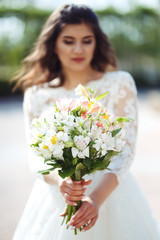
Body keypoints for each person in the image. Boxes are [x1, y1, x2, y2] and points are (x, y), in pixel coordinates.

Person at [12, 4, 160, 240]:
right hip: (56, 197)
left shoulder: (119, 84)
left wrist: (96, 199)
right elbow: (35, 154)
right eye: (68, 41)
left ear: (97, 43)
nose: (78, 49)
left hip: (111, 195)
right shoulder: (37, 94)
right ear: (54, 45)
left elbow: (126, 151)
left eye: (87, 40)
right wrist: (62, 181)